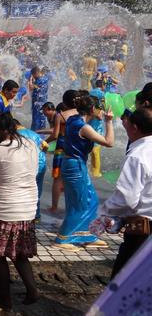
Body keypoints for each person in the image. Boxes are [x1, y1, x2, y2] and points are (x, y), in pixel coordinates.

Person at [0, 114, 39, 311]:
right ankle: (32, 290)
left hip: (4, 210)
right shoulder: (31, 144)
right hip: (28, 209)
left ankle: (5, 298)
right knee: (20, 254)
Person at [55, 94, 114, 251]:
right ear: (93, 109)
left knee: (87, 201)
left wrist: (98, 119)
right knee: (82, 204)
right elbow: (109, 142)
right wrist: (109, 122)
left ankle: (87, 235)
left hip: (72, 164)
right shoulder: (84, 127)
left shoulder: (73, 119)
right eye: (99, 108)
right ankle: (62, 239)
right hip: (75, 166)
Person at [100, 107, 152, 278]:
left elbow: (127, 200)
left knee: (123, 279)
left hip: (142, 230)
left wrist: (104, 213)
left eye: (128, 122)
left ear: (135, 127)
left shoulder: (137, 156)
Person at [44, 91, 80, 213]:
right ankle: (73, 208)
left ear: (64, 102)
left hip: (62, 147)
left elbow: (55, 135)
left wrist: (43, 143)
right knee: (73, 177)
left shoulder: (61, 115)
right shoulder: (81, 114)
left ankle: (54, 207)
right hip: (76, 148)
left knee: (58, 178)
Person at [15, 119, 48, 220]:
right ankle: (36, 216)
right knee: (37, 190)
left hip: (28, 165)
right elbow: (46, 146)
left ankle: (21, 214)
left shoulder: (16, 134)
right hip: (41, 164)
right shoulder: (33, 133)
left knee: (22, 189)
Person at [28, 66, 50, 131]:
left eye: (33, 75)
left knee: (36, 119)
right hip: (43, 101)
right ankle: (42, 132)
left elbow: (31, 88)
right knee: (42, 118)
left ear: (36, 73)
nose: (33, 76)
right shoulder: (45, 78)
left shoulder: (39, 80)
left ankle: (35, 133)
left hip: (37, 103)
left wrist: (30, 80)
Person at [88, 96, 105, 178]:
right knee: (91, 151)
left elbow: (100, 117)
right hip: (90, 132)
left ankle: (96, 172)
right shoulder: (89, 110)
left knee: (95, 152)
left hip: (98, 133)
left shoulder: (100, 110)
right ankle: (92, 169)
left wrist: (95, 113)